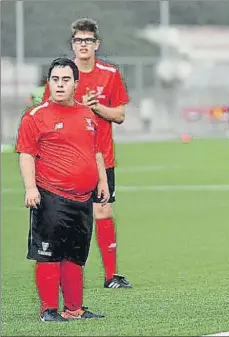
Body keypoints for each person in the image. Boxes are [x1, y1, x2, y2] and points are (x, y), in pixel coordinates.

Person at [15, 57, 109, 322]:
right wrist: (30, 188)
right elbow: (26, 154)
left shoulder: (88, 114)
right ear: (49, 82)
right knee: (49, 254)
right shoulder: (36, 117)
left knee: (75, 255)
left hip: (83, 199)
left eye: (65, 80)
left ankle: (75, 309)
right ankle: (48, 310)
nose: (59, 85)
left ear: (76, 84)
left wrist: (102, 182)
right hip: (51, 196)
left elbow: (96, 151)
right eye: (55, 79)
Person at [43, 18, 132, 288]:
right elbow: (50, 113)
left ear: (96, 44)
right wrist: (78, 107)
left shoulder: (110, 74)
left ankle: (111, 275)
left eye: (88, 40)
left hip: (102, 158)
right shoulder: (62, 74)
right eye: (79, 40)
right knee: (65, 219)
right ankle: (60, 274)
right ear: (73, 44)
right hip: (68, 161)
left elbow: (119, 115)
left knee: (103, 213)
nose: (83, 45)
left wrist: (95, 108)